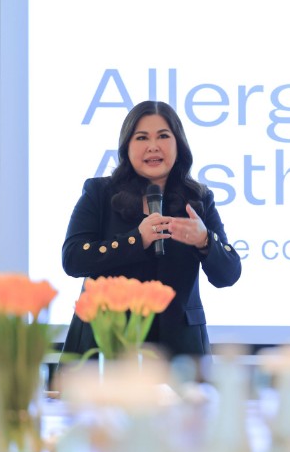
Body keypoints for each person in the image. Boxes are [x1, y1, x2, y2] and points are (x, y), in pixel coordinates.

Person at [60, 100, 242, 358]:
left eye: (163, 136)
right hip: (108, 343)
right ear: (127, 147)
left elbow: (229, 274)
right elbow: (73, 259)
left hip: (179, 350)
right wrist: (136, 240)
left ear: (179, 144)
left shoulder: (198, 198)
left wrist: (205, 241)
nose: (153, 146)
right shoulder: (99, 193)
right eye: (142, 137)